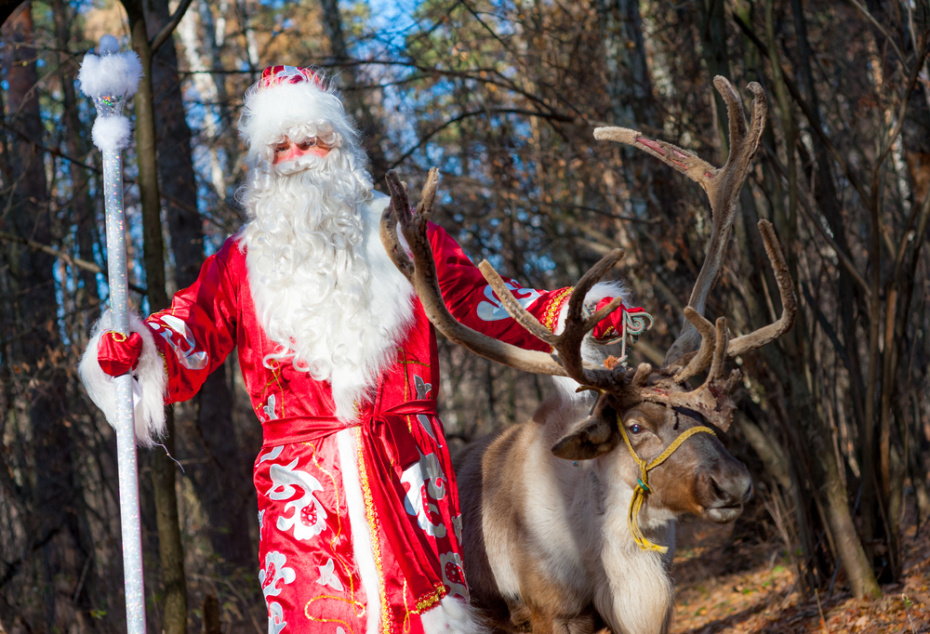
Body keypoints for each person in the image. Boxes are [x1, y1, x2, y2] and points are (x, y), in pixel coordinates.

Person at [80, 65, 640, 634]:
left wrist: (573, 315)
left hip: (407, 468)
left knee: (430, 620)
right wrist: (139, 348)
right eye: (281, 146)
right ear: (264, 162)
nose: (297, 156)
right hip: (301, 491)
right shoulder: (237, 263)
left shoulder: (402, 238)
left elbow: (479, 302)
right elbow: (188, 333)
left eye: (311, 141)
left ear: (339, 148)